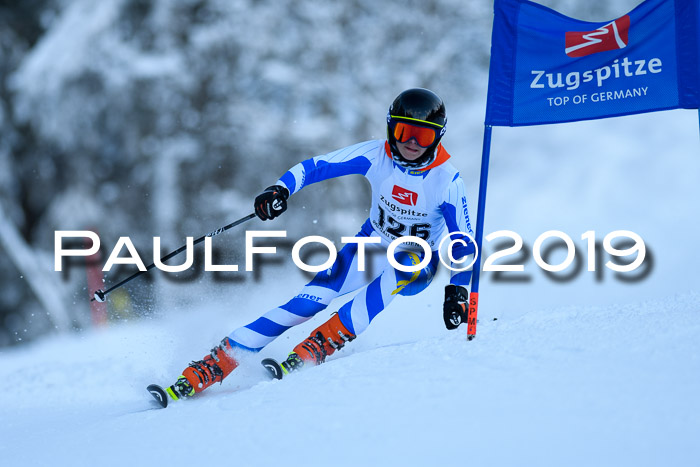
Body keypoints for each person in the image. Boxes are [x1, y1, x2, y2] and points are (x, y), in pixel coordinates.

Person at [164, 88, 475, 401]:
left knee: (405, 265)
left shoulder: (446, 181)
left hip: (417, 261)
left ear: (438, 137)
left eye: (423, 136)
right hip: (369, 247)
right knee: (304, 304)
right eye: (404, 131)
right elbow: (317, 166)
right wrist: (280, 190)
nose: (411, 142)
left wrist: (458, 291)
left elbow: (462, 241)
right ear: (390, 128)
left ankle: (321, 343)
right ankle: (215, 363)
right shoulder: (376, 155)